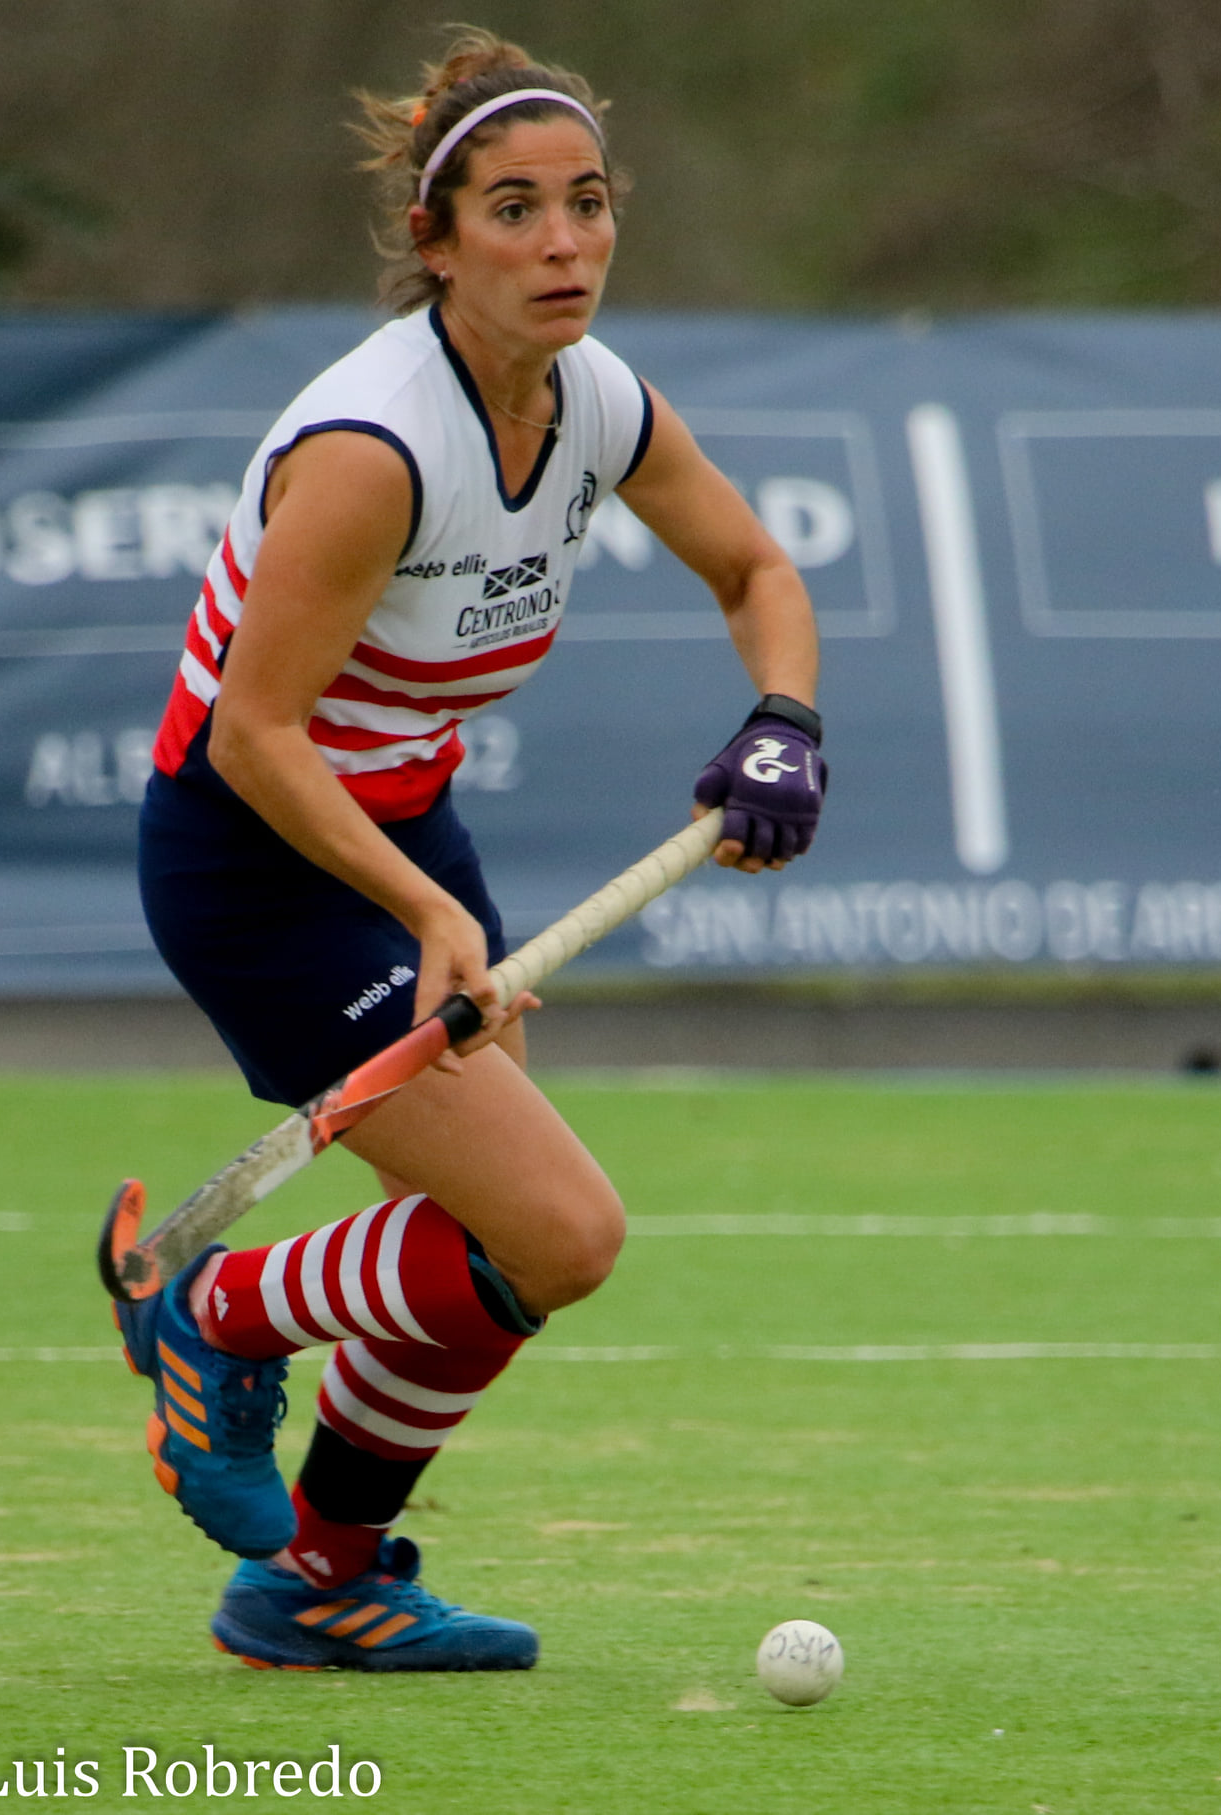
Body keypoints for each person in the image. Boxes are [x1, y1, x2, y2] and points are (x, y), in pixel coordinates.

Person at [117, 26, 825, 1673]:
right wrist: (431, 908)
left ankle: (313, 1583)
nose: (563, 243)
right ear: (435, 244)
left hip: (403, 828)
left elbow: (753, 572)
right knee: (565, 1230)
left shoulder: (598, 402)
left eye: (586, 204)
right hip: (260, 860)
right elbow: (253, 735)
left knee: (507, 1249)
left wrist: (782, 716)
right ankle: (207, 1313)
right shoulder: (374, 451)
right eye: (514, 211)